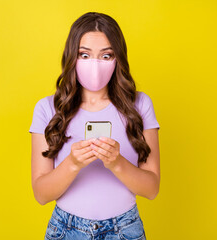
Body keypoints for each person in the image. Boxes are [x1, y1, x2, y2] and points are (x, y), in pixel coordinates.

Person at [29, 12, 160, 240]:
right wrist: (73, 163)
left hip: (125, 229)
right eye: (85, 55)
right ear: (72, 57)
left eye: (106, 55)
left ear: (118, 58)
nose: (95, 65)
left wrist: (117, 163)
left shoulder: (140, 105)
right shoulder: (48, 109)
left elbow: (152, 189)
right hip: (66, 230)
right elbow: (41, 194)